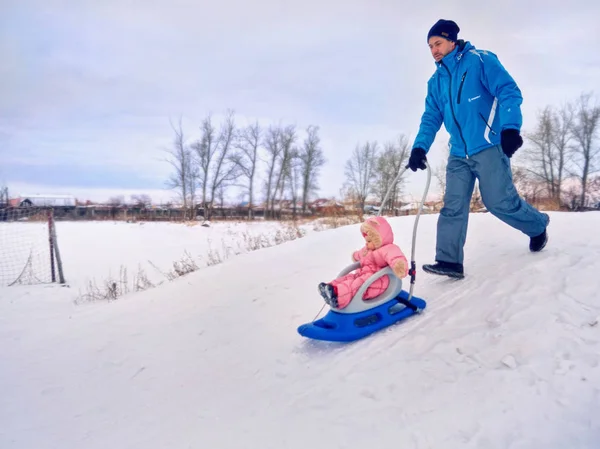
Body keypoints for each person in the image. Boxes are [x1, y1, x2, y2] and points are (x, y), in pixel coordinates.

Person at [406, 19, 550, 279]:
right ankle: (449, 261)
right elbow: (431, 117)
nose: (434, 50)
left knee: (499, 203)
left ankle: (537, 225)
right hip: (459, 153)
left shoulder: (480, 60)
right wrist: (419, 147)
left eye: (438, 43)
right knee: (452, 206)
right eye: (429, 46)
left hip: (489, 145)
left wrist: (510, 128)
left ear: (452, 40)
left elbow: (508, 91)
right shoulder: (435, 81)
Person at [318, 216, 409, 309]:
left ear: (378, 239)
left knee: (355, 285)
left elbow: (396, 257)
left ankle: (337, 297)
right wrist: (355, 255)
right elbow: (360, 255)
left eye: (369, 241)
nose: (366, 243)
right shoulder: (368, 249)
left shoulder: (388, 249)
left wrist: (399, 266)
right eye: (366, 241)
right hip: (364, 275)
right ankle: (330, 288)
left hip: (378, 280)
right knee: (349, 278)